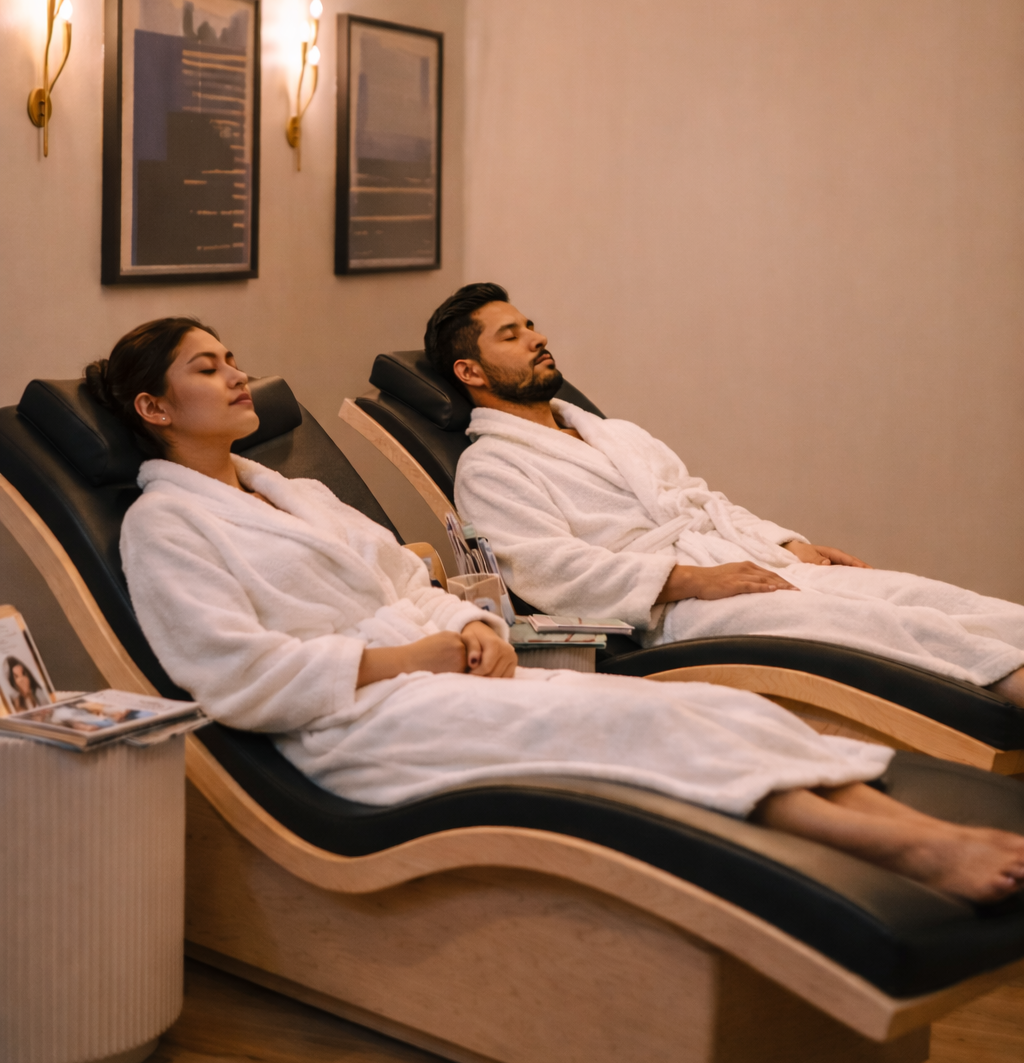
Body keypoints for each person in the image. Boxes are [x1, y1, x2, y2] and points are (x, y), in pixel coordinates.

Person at [77, 315, 1024, 905]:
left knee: (711, 705)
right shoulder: (165, 529)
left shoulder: (291, 494)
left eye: (234, 358)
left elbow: (412, 587)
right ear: (155, 409)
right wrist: (420, 660)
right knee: (622, 728)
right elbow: (238, 677)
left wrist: (477, 627)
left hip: (443, 676)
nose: (238, 375)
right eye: (209, 368)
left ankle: (918, 831)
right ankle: (899, 845)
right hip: (356, 724)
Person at [427, 284, 1024, 707]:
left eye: (530, 325)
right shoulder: (491, 468)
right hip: (675, 612)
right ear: (471, 372)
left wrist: (788, 541)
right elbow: (549, 572)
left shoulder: (610, 433)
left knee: (910, 593)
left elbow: (700, 499)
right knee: (862, 623)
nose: (538, 337)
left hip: (742, 567)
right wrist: (690, 580)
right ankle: (1008, 687)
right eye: (512, 334)